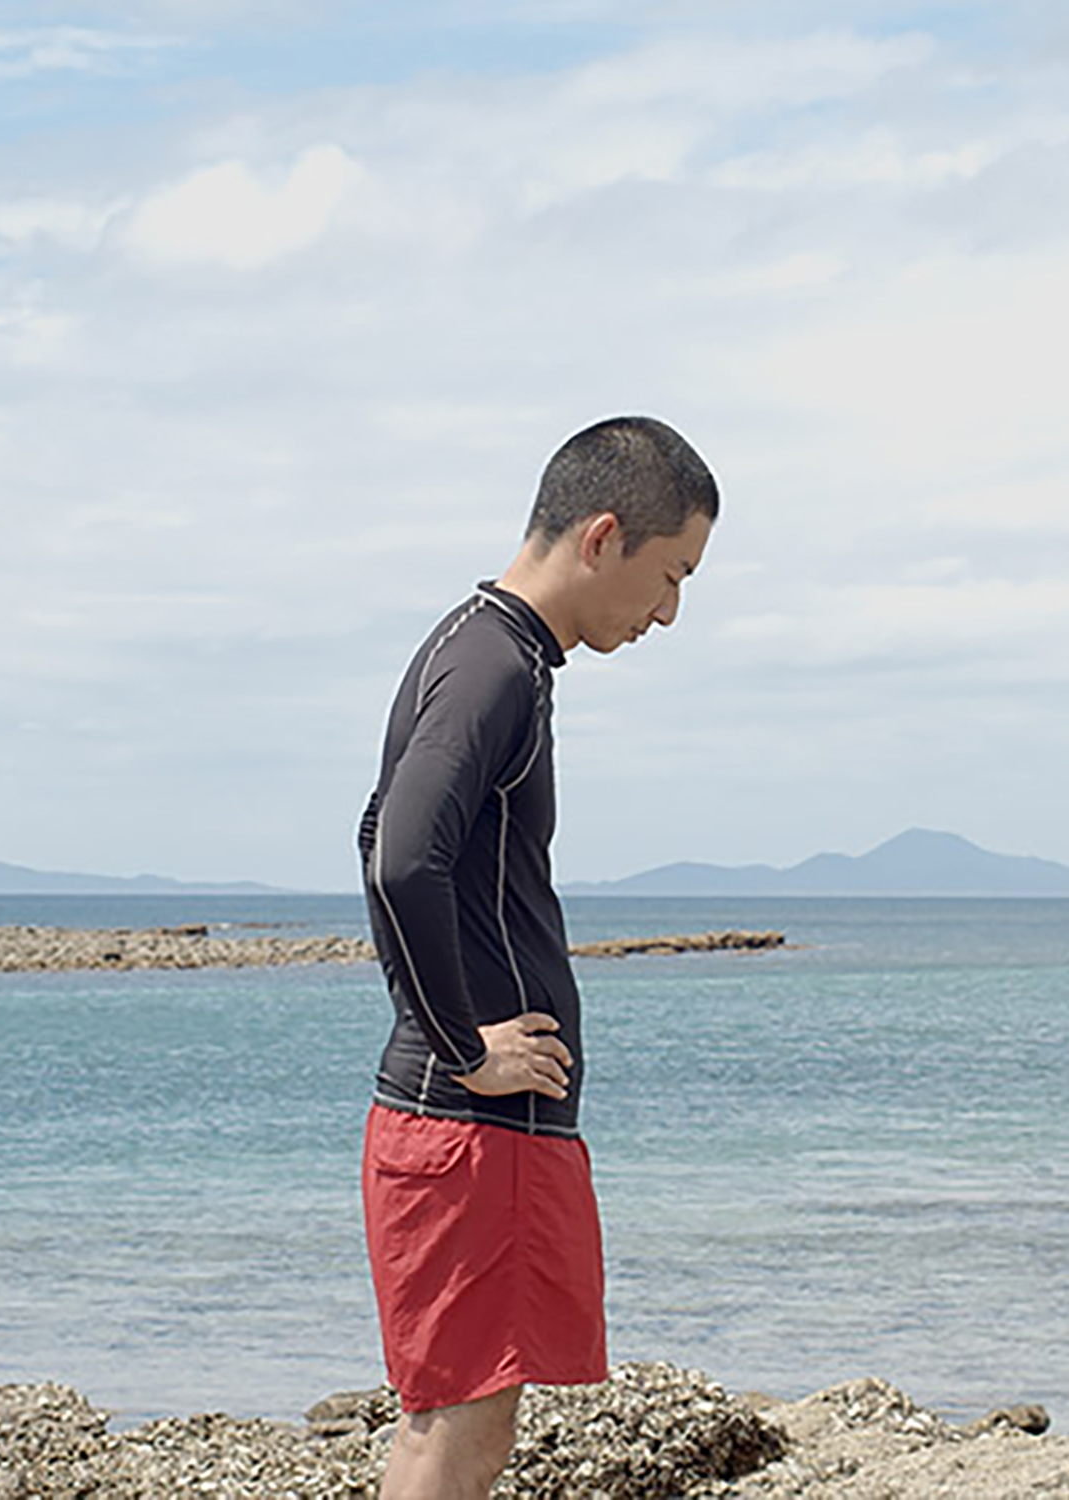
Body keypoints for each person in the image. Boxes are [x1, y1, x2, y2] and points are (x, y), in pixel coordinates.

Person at [357, 415, 719, 1499]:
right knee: (457, 1433)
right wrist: (461, 1044)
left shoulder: (489, 649)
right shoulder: (492, 664)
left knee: (460, 1428)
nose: (668, 611)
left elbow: (381, 837)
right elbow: (400, 857)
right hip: (470, 1130)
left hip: (476, 1132)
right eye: (668, 575)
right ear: (601, 536)